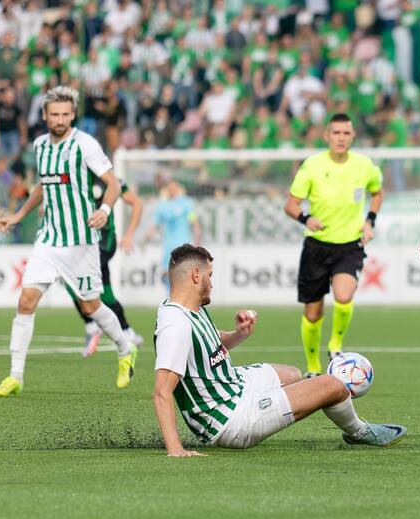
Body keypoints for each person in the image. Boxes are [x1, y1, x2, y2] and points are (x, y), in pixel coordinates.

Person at [152, 244, 405, 455]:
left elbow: (206, 344)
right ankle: (360, 431)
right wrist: (176, 449)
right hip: (230, 418)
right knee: (332, 385)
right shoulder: (176, 324)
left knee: (292, 374)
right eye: (210, 275)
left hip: (234, 386)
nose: (211, 283)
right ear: (196, 276)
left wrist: (238, 334)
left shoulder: (184, 309)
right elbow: (162, 391)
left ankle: (292, 402)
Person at [0, 86, 138, 397]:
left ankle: (125, 350)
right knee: (26, 301)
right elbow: (43, 186)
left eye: (65, 114)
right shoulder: (40, 145)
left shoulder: (85, 145)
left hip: (82, 239)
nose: (60, 119)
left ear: (73, 115)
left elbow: (113, 184)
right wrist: (18, 216)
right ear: (44, 116)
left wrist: (105, 209)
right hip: (49, 238)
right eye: (54, 114)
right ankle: (15, 375)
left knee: (91, 305)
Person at [283, 113, 382, 375]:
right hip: (317, 246)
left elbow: (377, 192)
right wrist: (306, 218)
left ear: (353, 136)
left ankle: (335, 345)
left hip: (349, 245)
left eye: (346, 133)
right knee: (313, 314)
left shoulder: (364, 166)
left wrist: (369, 220)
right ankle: (313, 367)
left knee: (344, 295)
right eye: (336, 133)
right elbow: (291, 205)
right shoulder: (312, 166)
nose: (341, 138)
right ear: (327, 135)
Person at [70, 177, 145, 357]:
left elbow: (136, 203)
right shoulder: (73, 174)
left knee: (72, 278)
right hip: (80, 243)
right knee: (106, 292)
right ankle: (127, 332)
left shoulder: (110, 180)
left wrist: (129, 235)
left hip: (103, 243)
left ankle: (91, 325)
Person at [145, 179, 200, 289]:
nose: (172, 189)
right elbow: (155, 223)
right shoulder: (162, 206)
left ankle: (184, 300)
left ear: (178, 188)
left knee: (185, 273)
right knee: (168, 273)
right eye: (170, 187)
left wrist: (197, 238)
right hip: (168, 245)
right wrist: (148, 234)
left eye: (174, 187)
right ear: (167, 189)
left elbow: (194, 221)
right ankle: (171, 299)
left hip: (183, 244)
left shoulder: (186, 203)